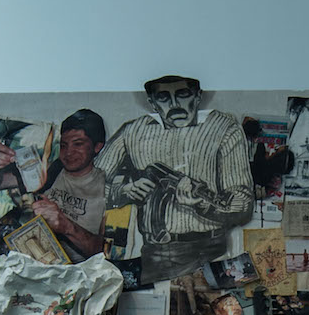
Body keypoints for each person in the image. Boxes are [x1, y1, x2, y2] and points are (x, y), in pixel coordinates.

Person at [98, 75, 256, 279]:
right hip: (155, 254)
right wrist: (123, 192)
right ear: (152, 102)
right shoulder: (133, 132)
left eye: (183, 94)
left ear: (198, 96)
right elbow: (89, 186)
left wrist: (202, 204)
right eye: (163, 97)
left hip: (210, 252)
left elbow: (244, 205)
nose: (174, 105)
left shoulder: (223, 128)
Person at [29, 109, 113, 258]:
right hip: (34, 252)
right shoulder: (55, 169)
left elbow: (108, 252)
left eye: (78, 144)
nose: (68, 153)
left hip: (76, 268)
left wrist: (66, 226)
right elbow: (2, 182)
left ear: (97, 146)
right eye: (63, 145)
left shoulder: (110, 188)